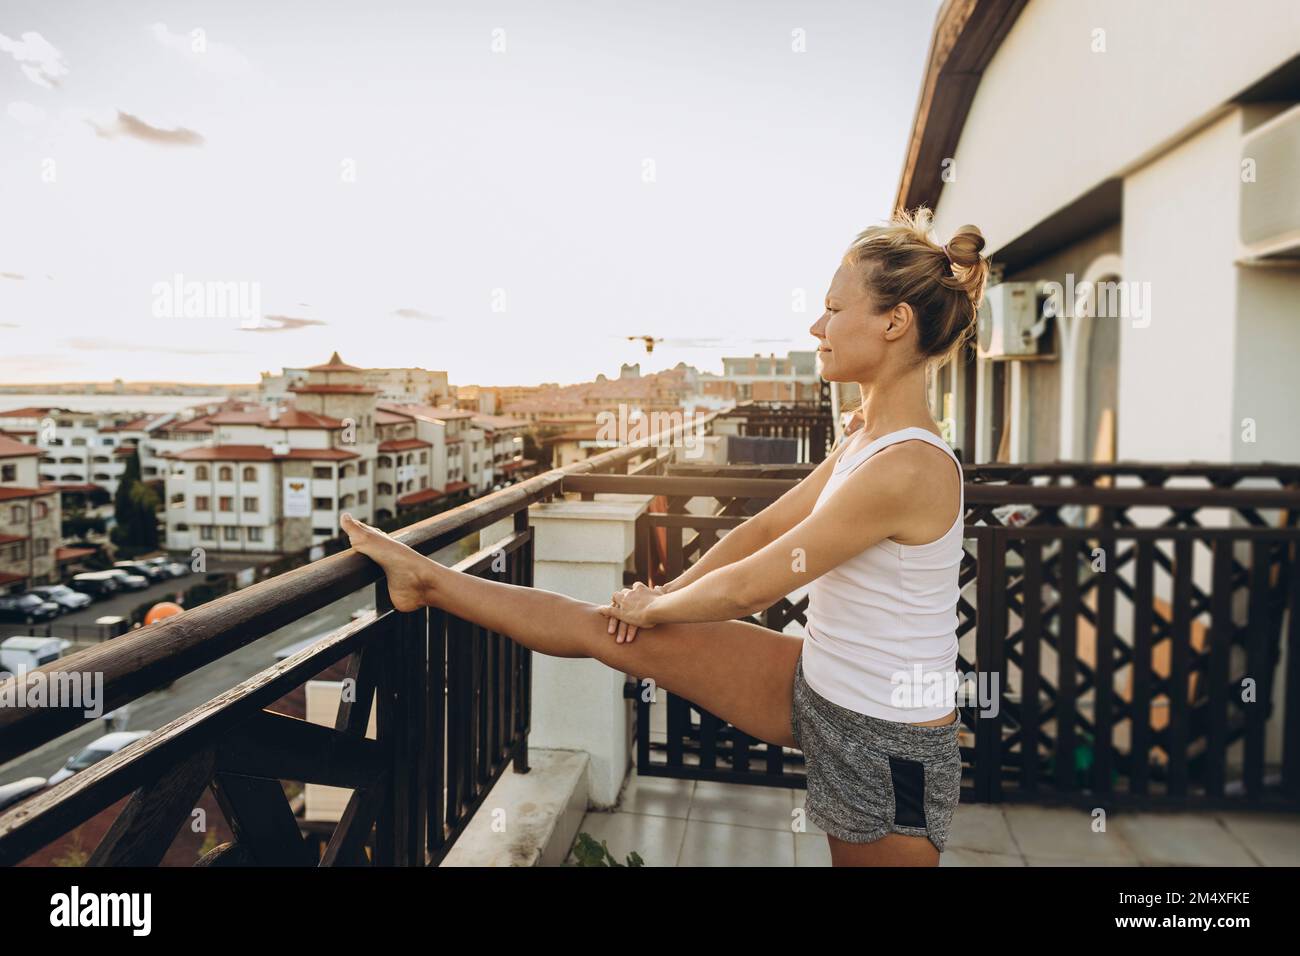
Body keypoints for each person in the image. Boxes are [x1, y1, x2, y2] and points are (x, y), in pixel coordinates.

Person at [341, 207, 988, 866]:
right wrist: (663, 595)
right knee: (607, 630)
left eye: (832, 309)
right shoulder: (868, 439)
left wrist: (657, 608)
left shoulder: (909, 465)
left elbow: (755, 583)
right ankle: (425, 579)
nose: (816, 326)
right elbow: (764, 528)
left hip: (888, 742)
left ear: (894, 322)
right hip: (820, 684)